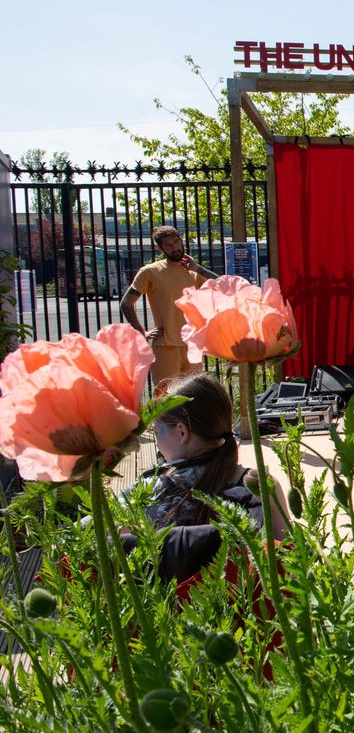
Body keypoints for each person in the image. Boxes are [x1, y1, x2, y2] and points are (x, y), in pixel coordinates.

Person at [124, 374, 289, 579]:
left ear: (182, 432)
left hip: (171, 607)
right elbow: (288, 560)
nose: (157, 443)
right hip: (244, 606)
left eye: (157, 433)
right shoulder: (260, 485)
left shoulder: (146, 492)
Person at [120, 226, 219, 393]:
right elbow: (126, 304)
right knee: (164, 399)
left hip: (192, 346)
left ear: (181, 240)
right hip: (165, 347)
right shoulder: (150, 272)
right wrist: (141, 332)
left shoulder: (194, 272)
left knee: (192, 399)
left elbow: (223, 285)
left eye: (176, 242)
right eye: (168, 245)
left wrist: (199, 269)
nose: (175, 248)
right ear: (160, 248)